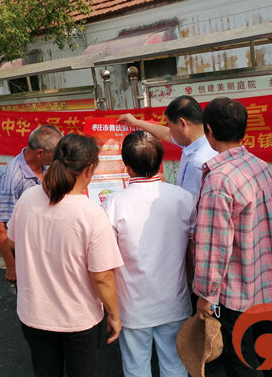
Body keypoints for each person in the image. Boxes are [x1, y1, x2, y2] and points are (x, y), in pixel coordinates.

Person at [7, 133, 123, 377]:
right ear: (88, 170)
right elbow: (102, 277)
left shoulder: (28, 198)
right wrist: (114, 314)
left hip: (34, 313)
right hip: (78, 319)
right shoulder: (91, 214)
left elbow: (12, 241)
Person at [192, 97, 272, 376]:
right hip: (263, 280)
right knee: (266, 342)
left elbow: (214, 246)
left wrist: (206, 294)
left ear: (209, 130)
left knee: (240, 355)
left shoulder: (219, 179)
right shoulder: (259, 165)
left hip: (235, 289)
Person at [102, 130, 194, 377]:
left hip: (132, 304)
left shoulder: (113, 204)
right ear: (160, 161)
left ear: (127, 167)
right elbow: (193, 250)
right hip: (174, 300)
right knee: (175, 364)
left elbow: (106, 262)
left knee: (136, 367)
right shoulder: (183, 199)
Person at [0, 124, 62, 283]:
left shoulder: (47, 165)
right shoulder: (13, 178)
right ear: (40, 153)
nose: (59, 157)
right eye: (56, 153)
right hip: (25, 250)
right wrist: (11, 266)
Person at [117, 95, 217, 199]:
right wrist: (136, 123)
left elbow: (189, 205)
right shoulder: (205, 142)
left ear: (182, 124)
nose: (170, 132)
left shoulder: (196, 163)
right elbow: (166, 134)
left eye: (169, 126)